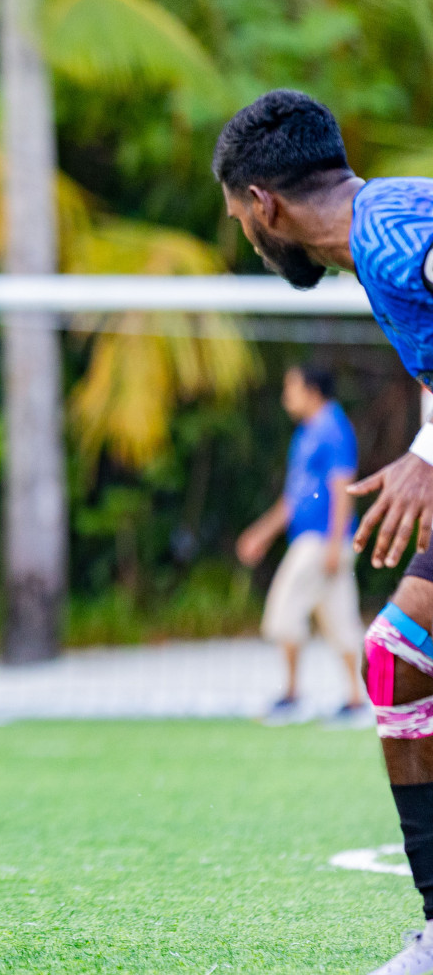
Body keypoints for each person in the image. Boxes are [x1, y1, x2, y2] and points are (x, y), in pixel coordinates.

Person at [213, 88, 433, 975]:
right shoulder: (381, 244)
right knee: (398, 655)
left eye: (239, 221)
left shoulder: (396, 232)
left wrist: (426, 457)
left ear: (262, 204)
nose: (246, 236)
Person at [236, 364, 365, 724]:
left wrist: (335, 542)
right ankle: (356, 700)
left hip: (320, 543)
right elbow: (293, 499)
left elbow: (343, 488)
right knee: (340, 621)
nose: (286, 396)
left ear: (312, 390)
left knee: (283, 613)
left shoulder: (333, 429)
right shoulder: (306, 433)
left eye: (291, 388)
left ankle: (292, 696)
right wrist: (262, 533)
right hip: (315, 541)